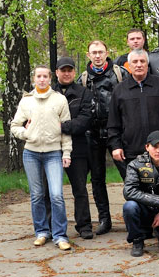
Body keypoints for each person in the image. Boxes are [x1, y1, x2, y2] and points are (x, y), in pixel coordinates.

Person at [11, 65, 72, 251]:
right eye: (39, 76)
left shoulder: (59, 99)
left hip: (53, 153)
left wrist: (66, 152)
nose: (42, 79)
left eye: (45, 76)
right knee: (37, 195)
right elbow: (15, 126)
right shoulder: (26, 101)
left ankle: (60, 235)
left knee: (56, 195)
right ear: (34, 79)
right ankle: (42, 232)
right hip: (31, 153)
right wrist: (26, 133)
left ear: (50, 78)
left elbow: (66, 129)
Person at [107, 49, 159, 179]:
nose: (139, 65)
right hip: (131, 151)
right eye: (135, 62)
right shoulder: (120, 90)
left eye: (142, 61)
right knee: (134, 188)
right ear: (129, 65)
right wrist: (116, 146)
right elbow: (113, 122)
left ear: (147, 64)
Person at [79, 39, 123, 235]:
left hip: (117, 132)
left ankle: (137, 215)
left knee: (129, 174)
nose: (97, 55)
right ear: (88, 55)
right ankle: (104, 218)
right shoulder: (83, 79)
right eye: (94, 52)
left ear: (106, 53)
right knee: (97, 178)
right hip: (93, 133)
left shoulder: (120, 74)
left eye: (100, 52)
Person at [53, 57, 95, 240]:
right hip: (51, 148)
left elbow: (84, 121)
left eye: (70, 70)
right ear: (56, 72)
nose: (67, 73)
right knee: (51, 191)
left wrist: (60, 126)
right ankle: (50, 226)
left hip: (77, 147)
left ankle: (84, 225)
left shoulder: (84, 93)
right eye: (63, 70)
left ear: (74, 72)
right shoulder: (48, 93)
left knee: (80, 189)